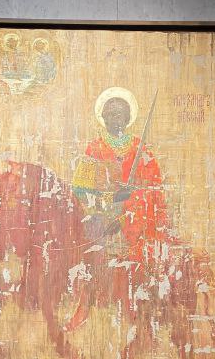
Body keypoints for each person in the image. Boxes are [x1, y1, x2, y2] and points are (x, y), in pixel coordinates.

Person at [71, 86, 169, 265]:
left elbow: (155, 191)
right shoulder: (94, 149)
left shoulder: (141, 150)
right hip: (101, 222)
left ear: (127, 118)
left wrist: (128, 214)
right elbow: (79, 191)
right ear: (103, 118)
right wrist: (113, 198)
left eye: (120, 114)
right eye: (110, 114)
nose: (115, 119)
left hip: (134, 222)